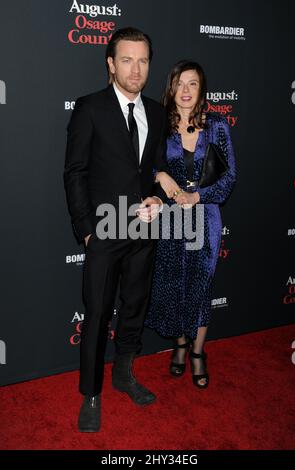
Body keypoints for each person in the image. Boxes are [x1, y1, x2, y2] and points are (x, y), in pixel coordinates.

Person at [64, 27, 179, 432]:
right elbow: (75, 172)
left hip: (145, 232)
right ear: (111, 64)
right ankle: (91, 393)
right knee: (96, 315)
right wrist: (87, 230)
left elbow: (154, 170)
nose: (136, 69)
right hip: (104, 232)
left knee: (134, 308)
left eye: (143, 60)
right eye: (127, 60)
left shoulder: (157, 111)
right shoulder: (90, 108)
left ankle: (124, 374)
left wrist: (158, 198)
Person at [145, 60, 236, 389]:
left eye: (192, 84)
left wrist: (198, 198)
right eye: (179, 83)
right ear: (171, 88)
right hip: (170, 220)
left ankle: (198, 352)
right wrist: (160, 174)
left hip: (205, 218)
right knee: (172, 284)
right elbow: (144, 168)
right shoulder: (159, 126)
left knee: (200, 287)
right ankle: (180, 346)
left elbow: (229, 178)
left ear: (201, 89)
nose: (185, 91)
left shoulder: (217, 126)